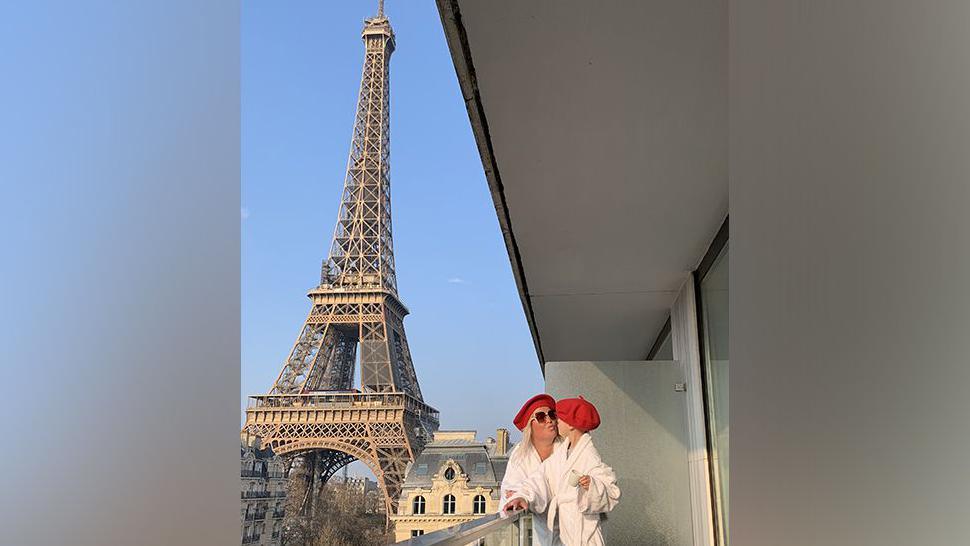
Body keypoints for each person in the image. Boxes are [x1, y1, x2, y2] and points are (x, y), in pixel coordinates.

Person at [504, 396, 620, 546]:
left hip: (581, 533)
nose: (553, 421)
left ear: (571, 425)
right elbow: (541, 478)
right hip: (555, 532)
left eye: (555, 416)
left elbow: (610, 489)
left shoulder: (587, 454)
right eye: (541, 417)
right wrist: (522, 496)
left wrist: (592, 486)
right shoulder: (562, 453)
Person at [500, 393, 565, 545]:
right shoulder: (520, 454)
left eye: (552, 414)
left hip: (569, 532)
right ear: (530, 425)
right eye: (541, 416)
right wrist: (520, 496)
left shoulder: (567, 449)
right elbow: (510, 490)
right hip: (534, 535)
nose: (549, 420)